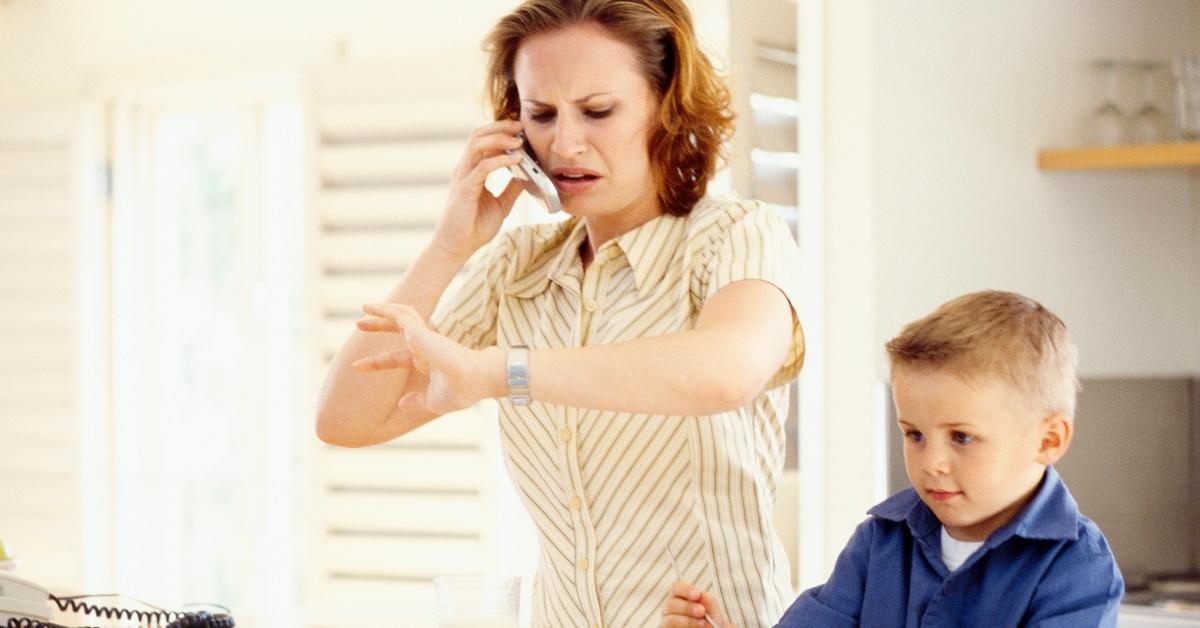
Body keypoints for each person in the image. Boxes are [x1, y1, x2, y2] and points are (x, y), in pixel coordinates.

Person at [315, 1, 806, 626]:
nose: (564, 143)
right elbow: (345, 419)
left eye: (599, 111)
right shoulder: (517, 266)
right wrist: (450, 245)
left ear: (667, 107)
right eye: (540, 114)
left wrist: (502, 373)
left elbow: (725, 371)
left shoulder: (736, 235)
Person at [662, 290, 1124, 627]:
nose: (932, 462)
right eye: (915, 434)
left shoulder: (1079, 568)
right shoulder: (880, 540)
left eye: (962, 437)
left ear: (1049, 440)